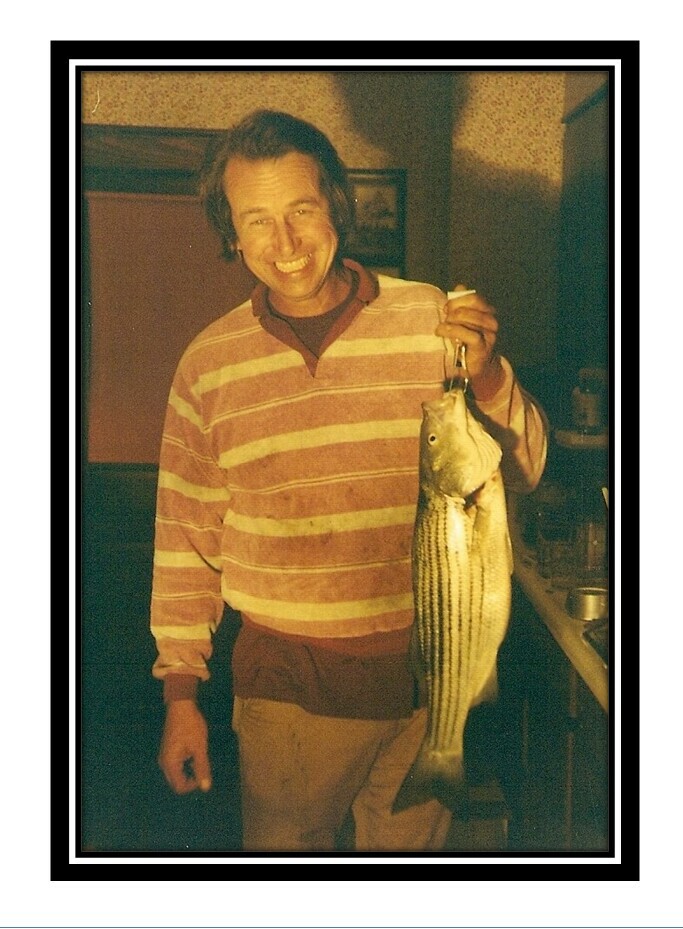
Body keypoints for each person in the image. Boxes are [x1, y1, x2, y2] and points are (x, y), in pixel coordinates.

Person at [151, 109, 548, 852]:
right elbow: (184, 542)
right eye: (256, 220)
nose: (285, 242)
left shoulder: (431, 317)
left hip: (434, 675)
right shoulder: (208, 364)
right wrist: (181, 695)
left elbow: (524, 465)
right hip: (288, 690)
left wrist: (490, 372)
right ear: (231, 233)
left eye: (302, 210)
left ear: (337, 205)